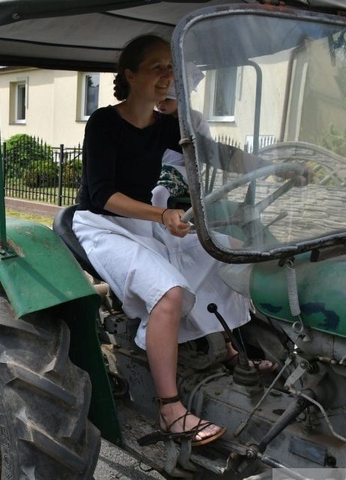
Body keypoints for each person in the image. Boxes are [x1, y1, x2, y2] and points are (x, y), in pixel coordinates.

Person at [72, 35, 253, 446]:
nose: (167, 76)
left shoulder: (165, 126)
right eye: (157, 67)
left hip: (143, 223)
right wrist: (162, 213)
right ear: (130, 74)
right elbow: (102, 195)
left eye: (171, 68)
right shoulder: (104, 122)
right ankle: (170, 408)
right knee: (169, 293)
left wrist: (277, 165)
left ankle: (227, 349)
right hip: (102, 224)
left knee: (225, 252)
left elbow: (217, 154)